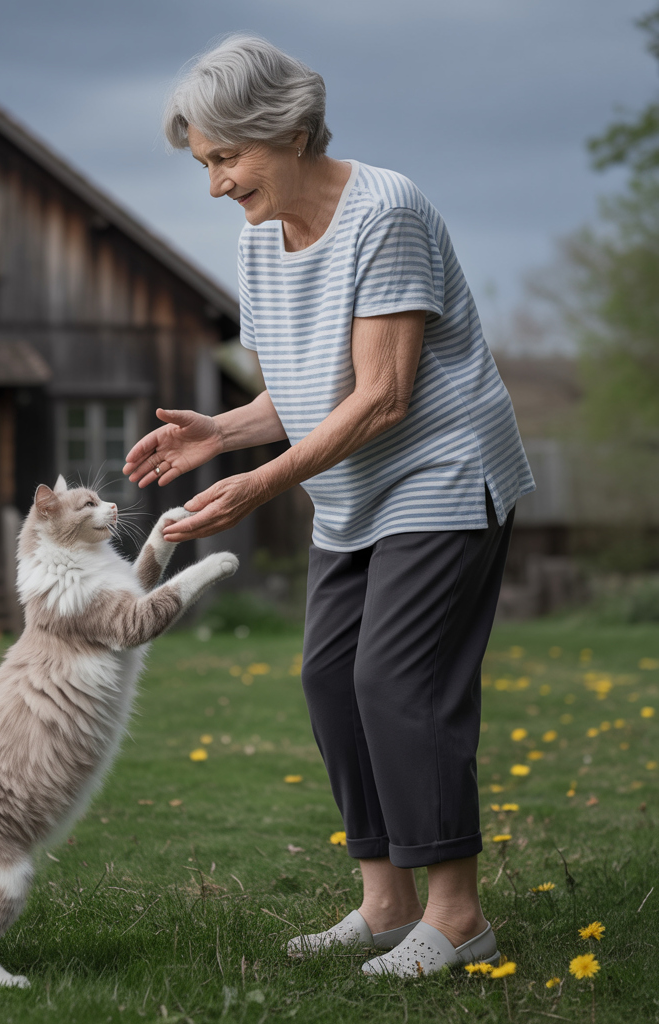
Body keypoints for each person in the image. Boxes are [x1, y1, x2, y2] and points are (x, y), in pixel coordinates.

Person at [123, 35, 534, 977]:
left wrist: (260, 483)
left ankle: (459, 917)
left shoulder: (385, 212)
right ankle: (387, 904)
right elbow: (310, 388)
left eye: (228, 157)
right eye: (205, 164)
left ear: (293, 132)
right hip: (353, 489)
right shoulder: (258, 241)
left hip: (441, 473)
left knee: (398, 681)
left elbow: (384, 395)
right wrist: (223, 433)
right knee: (330, 678)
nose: (217, 184)